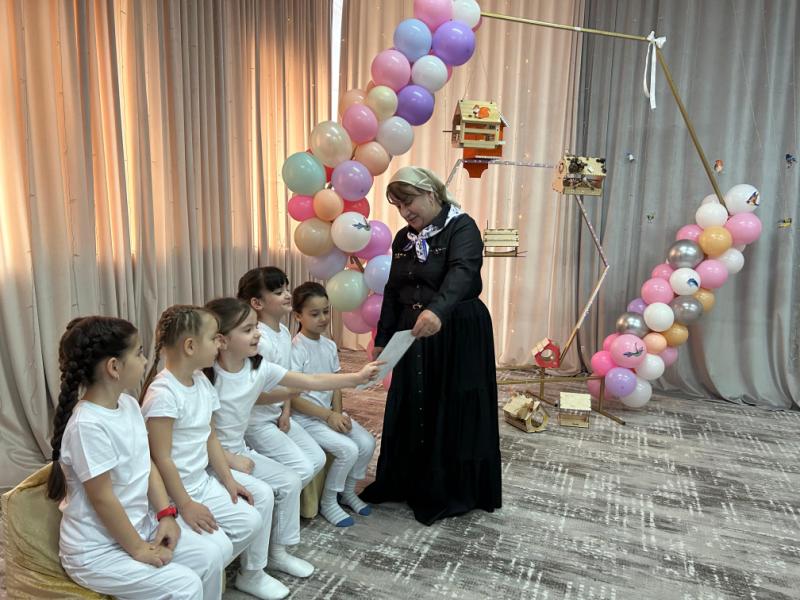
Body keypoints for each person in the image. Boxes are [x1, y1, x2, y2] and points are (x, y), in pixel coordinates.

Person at [360, 166, 502, 525]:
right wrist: (382, 339)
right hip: (413, 334)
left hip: (457, 330)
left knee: (450, 402)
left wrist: (438, 310)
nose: (405, 212)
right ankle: (404, 480)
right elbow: (393, 290)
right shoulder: (403, 239)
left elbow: (462, 272)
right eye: (398, 206)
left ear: (430, 193)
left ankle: (447, 488)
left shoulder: (462, 227)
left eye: (408, 202)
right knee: (413, 401)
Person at [47, 316, 222, 599]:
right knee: (185, 586)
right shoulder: (87, 425)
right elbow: (103, 499)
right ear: (114, 367)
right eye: (139, 353)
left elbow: (146, 464)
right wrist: (139, 549)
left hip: (140, 526)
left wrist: (166, 514)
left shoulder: (128, 404)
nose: (145, 360)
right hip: (96, 552)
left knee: (211, 556)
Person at [140, 304, 286, 600]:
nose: (220, 344)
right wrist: (184, 504)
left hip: (202, 484)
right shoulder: (163, 395)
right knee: (217, 548)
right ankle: (189, 575)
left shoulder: (201, 380)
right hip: (175, 493)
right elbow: (160, 458)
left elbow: (210, 436)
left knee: (251, 521)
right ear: (190, 346)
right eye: (214, 338)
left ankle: (214, 572)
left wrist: (229, 481)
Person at [289, 282, 377, 527]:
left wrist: (338, 413)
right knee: (348, 450)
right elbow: (293, 397)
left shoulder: (329, 345)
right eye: (314, 313)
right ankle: (329, 501)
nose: (323, 318)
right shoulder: (296, 348)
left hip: (330, 414)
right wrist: (328, 417)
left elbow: (336, 384)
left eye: (326, 311)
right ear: (298, 316)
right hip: (306, 419)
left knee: (367, 443)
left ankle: (347, 491)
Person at [237, 267, 326, 486]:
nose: (287, 295)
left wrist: (286, 411)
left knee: (317, 459)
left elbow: (286, 376)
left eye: (287, 289)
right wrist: (290, 394)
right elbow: (253, 395)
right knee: (302, 469)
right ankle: (273, 498)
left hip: (277, 415)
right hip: (257, 423)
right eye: (278, 292)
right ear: (257, 303)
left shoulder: (284, 331)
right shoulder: (258, 341)